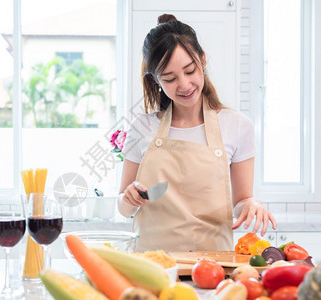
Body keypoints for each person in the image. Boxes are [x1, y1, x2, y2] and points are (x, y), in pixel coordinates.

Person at [117, 14, 276, 252]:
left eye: (190, 71)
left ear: (202, 60)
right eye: (170, 78)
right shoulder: (142, 127)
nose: (184, 85)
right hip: (152, 266)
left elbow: (240, 202)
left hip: (213, 268)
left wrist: (251, 205)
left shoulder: (238, 125)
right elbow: (123, 208)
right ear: (156, 80)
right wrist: (129, 198)